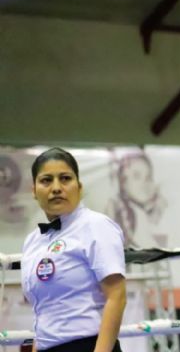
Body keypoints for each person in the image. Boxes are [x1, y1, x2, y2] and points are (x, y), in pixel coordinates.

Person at [21, 147, 126, 352]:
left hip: (89, 345)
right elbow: (43, 311)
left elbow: (117, 295)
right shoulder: (33, 241)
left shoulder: (96, 226)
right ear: (34, 190)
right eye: (46, 180)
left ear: (79, 186)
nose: (56, 188)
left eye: (65, 178)